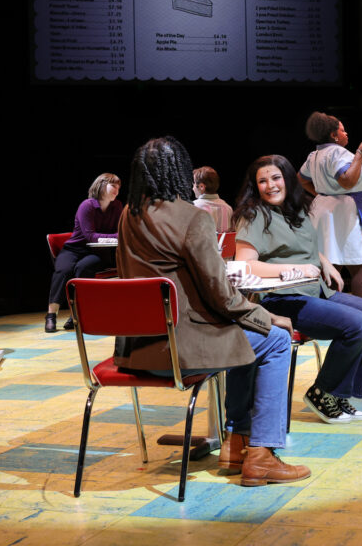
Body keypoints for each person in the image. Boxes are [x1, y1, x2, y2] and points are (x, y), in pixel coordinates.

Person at [115, 137, 309, 486]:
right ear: (180, 171)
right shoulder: (192, 217)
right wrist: (264, 316)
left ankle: (236, 444)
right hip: (182, 352)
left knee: (244, 337)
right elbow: (223, 297)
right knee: (276, 340)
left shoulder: (129, 214)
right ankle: (262, 455)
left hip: (137, 351)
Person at [233, 155, 362, 423]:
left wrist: (322, 260)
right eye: (262, 181)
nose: (270, 185)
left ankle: (337, 395)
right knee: (358, 325)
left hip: (314, 291)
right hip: (279, 299)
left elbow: (301, 245)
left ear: (287, 179)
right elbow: (245, 265)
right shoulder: (254, 215)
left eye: (276, 178)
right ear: (255, 186)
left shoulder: (297, 209)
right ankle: (322, 393)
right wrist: (298, 268)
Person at [298, 111, 362, 299]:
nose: (346, 134)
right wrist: (359, 154)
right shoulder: (338, 153)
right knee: (359, 264)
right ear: (333, 135)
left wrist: (323, 194)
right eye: (342, 130)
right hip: (344, 210)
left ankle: (328, 309)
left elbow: (301, 179)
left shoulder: (314, 155)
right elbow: (347, 181)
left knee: (331, 261)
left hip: (324, 209)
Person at [45, 173, 122, 332]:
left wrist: (118, 235)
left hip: (97, 252)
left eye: (119, 187)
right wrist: (117, 237)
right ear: (102, 185)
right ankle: (51, 315)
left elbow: (120, 230)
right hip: (74, 249)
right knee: (63, 270)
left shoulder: (117, 206)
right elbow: (90, 236)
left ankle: (76, 314)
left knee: (84, 268)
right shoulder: (87, 205)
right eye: (113, 185)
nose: (117, 190)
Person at [192, 166, 234, 232]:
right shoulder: (228, 209)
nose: (193, 188)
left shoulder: (193, 207)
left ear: (201, 186)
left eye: (193, 184)